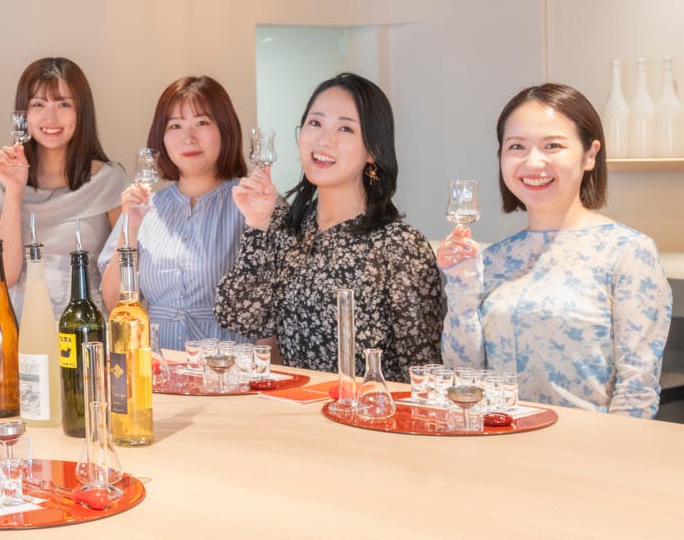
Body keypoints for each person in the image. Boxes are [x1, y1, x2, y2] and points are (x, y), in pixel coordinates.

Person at [437, 83, 671, 417]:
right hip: (498, 439)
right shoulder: (492, 259)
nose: (533, 162)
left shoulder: (628, 252)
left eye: (553, 146)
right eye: (517, 146)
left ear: (590, 155)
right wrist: (461, 284)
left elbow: (637, 391)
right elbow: (464, 376)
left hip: (584, 445)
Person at [215, 72, 444, 380]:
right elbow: (241, 318)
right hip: (295, 405)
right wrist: (257, 224)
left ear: (374, 150)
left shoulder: (400, 245)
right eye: (315, 123)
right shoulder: (286, 228)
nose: (325, 140)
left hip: (369, 408)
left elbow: (423, 371)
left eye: (346, 128)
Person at [98, 76, 249, 350]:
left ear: (225, 129)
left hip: (226, 365)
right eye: (175, 126)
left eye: (202, 123)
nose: (188, 138)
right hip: (160, 365)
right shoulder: (146, 207)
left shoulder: (251, 202)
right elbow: (114, 304)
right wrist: (129, 229)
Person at [0, 57, 125, 313]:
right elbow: (1, 279)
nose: (50, 117)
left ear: (82, 111)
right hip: (20, 327)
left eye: (64, 104)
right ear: (23, 113)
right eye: (38, 104)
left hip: (87, 327)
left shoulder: (110, 180)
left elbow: (126, 277)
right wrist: (14, 192)